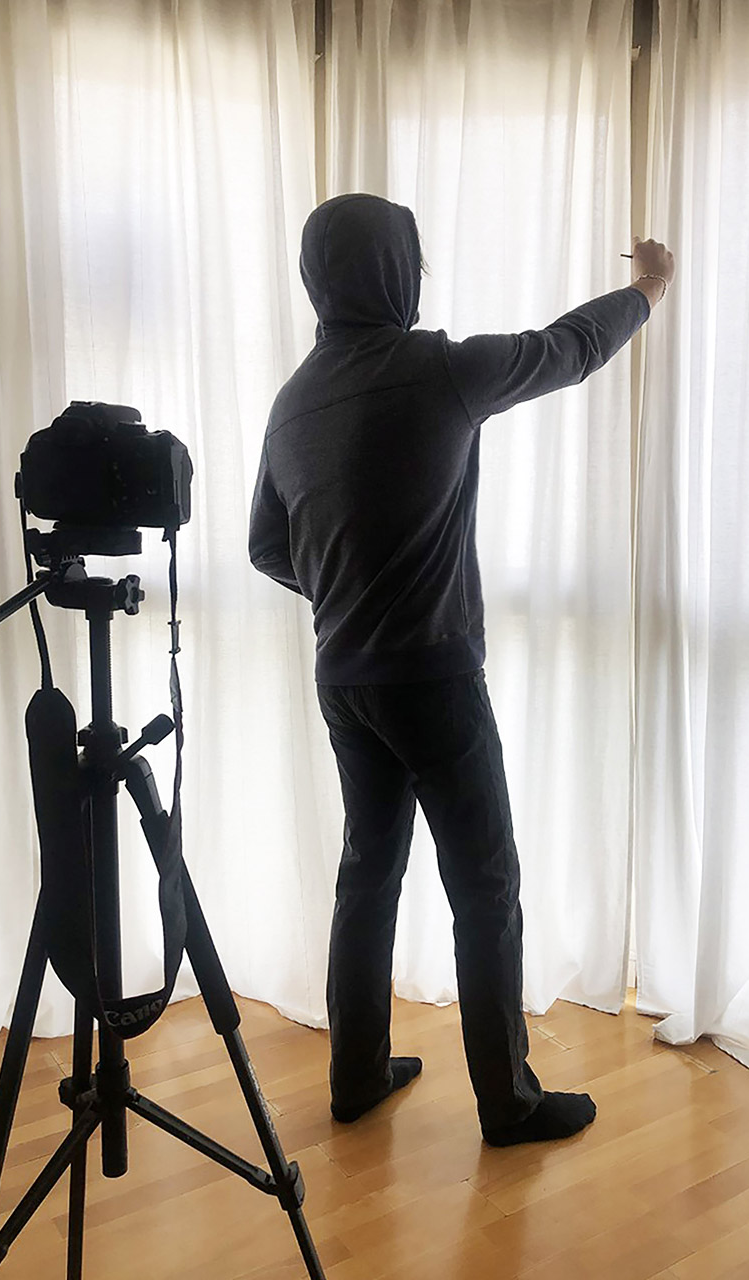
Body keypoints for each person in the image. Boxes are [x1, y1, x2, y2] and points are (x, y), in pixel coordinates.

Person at [249, 193, 674, 1146]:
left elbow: (266, 546)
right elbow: (568, 348)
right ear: (397, 272)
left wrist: (345, 587)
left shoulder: (292, 403)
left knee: (368, 876)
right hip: (432, 678)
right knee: (485, 886)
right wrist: (650, 286)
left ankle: (357, 1075)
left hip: (344, 679)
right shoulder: (435, 368)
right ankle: (509, 1104)